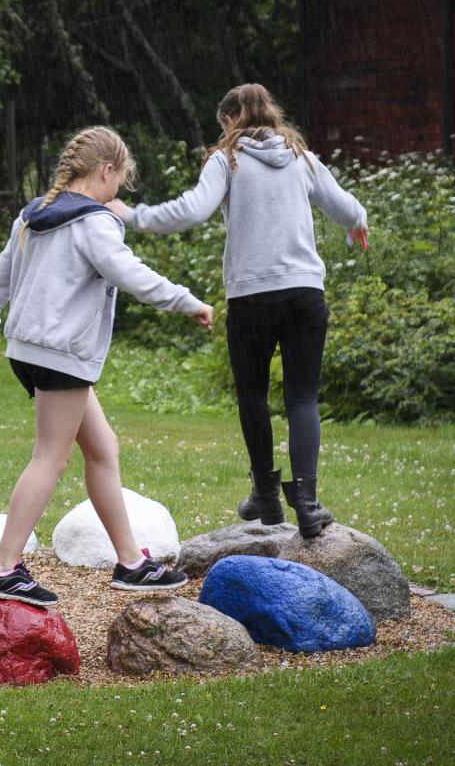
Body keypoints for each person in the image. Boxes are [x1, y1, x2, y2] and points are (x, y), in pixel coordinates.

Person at [109, 83, 368, 539]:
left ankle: (266, 495)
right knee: (302, 397)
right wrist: (355, 231)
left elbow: (192, 211)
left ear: (231, 120)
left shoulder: (226, 158)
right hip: (305, 293)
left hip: (251, 297)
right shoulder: (301, 157)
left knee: (252, 395)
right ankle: (306, 502)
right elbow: (348, 209)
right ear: (270, 114)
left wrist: (132, 215)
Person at [0, 126, 214, 606]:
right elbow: (132, 275)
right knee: (50, 457)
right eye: (119, 181)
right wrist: (188, 302)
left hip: (29, 349)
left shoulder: (33, 215)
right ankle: (3, 569)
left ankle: (131, 563)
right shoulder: (92, 221)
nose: (117, 192)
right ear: (106, 170)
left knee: (102, 447)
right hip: (62, 355)